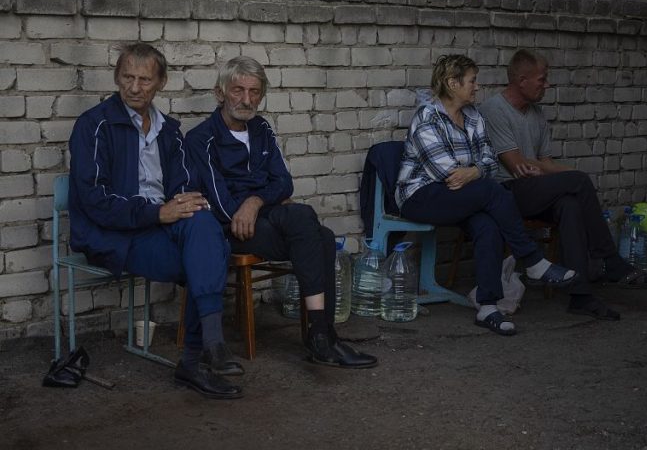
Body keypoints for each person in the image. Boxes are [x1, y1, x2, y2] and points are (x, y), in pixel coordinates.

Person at [68, 43, 243, 399]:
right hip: (115, 235)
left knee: (202, 221)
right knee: (207, 255)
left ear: (160, 83)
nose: (134, 87)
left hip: (160, 228)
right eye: (128, 77)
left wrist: (182, 203)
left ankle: (206, 347)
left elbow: (183, 186)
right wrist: (156, 212)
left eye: (144, 80)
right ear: (117, 77)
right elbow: (95, 200)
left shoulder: (168, 131)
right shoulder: (94, 125)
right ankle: (200, 356)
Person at [185, 56, 377, 369]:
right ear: (220, 93)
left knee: (319, 233)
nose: (247, 100)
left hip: (265, 219)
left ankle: (323, 336)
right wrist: (257, 203)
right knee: (315, 231)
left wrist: (255, 200)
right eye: (238, 90)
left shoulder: (261, 129)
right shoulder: (201, 139)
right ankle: (322, 337)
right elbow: (221, 204)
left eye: (255, 92)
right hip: (230, 230)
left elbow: (283, 182)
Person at [396, 54, 577, 336]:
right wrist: (476, 172)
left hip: (463, 193)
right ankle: (532, 260)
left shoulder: (473, 116)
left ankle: (488, 307)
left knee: (487, 224)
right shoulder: (427, 117)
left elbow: (490, 161)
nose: (477, 87)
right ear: (452, 83)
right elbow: (447, 173)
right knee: (493, 192)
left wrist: (475, 172)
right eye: (472, 81)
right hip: (421, 196)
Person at [478, 49, 647, 322]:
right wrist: (574, 179)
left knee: (571, 204)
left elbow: (546, 163)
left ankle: (580, 296)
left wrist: (576, 175)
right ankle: (609, 260)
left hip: (535, 189)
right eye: (542, 79)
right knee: (576, 185)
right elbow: (514, 163)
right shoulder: (494, 109)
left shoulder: (536, 113)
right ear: (521, 79)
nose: (546, 85)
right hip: (506, 192)